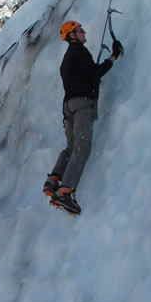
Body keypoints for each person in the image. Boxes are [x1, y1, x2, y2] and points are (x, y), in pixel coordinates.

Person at [43, 20, 123, 215]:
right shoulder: (80, 52)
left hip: (68, 106)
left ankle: (54, 180)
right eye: (79, 30)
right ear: (72, 35)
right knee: (82, 147)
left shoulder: (68, 57)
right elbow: (94, 74)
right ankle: (64, 192)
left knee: (71, 147)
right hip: (82, 105)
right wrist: (113, 57)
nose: (84, 32)